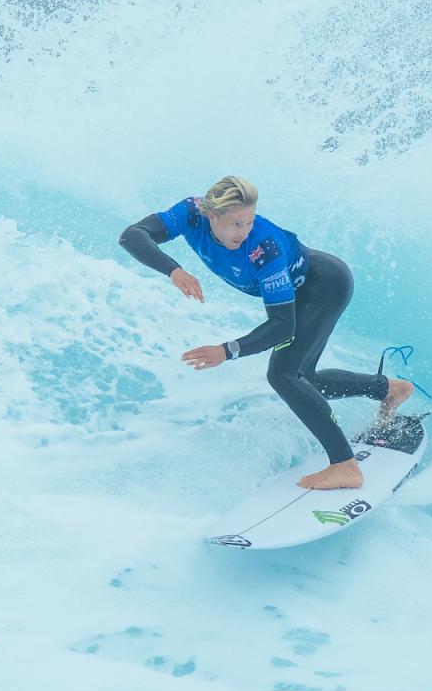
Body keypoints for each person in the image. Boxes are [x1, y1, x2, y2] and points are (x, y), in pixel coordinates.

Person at [119, 175, 414, 489]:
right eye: (235, 223)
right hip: (301, 294)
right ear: (211, 215)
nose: (244, 231)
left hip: (324, 286)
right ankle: (388, 389)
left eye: (249, 221)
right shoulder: (193, 212)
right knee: (304, 380)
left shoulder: (263, 247)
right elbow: (133, 235)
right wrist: (174, 270)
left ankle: (345, 465)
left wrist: (226, 350)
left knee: (284, 375)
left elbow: (282, 325)